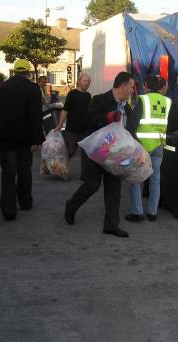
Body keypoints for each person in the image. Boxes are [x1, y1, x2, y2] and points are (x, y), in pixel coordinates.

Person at [64, 71, 135, 238]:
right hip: (96, 152)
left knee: (114, 188)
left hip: (116, 154)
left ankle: (111, 225)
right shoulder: (99, 100)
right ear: (123, 86)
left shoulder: (128, 108)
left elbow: (130, 131)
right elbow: (87, 122)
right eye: (131, 87)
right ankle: (71, 206)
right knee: (92, 185)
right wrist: (107, 118)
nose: (132, 90)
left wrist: (136, 150)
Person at [0, 59, 44, 221]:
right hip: (25, 141)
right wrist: (37, 140)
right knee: (24, 171)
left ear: (14, 71)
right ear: (28, 72)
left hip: (6, 140)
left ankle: (8, 210)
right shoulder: (33, 89)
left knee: (8, 173)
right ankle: (25, 202)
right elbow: (35, 117)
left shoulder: (1, 88)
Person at [124, 75, 171, 223]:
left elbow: (131, 124)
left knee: (136, 178)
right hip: (158, 145)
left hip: (142, 146)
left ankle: (137, 212)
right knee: (155, 179)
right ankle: (153, 212)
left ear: (147, 85)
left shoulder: (143, 100)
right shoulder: (167, 101)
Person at [54, 73, 92, 158]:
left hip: (85, 131)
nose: (87, 83)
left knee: (87, 155)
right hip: (72, 130)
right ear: (79, 81)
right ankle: (59, 169)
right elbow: (65, 110)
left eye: (89, 82)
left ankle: (86, 171)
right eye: (85, 81)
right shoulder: (72, 94)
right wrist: (60, 125)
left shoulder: (88, 96)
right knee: (68, 153)